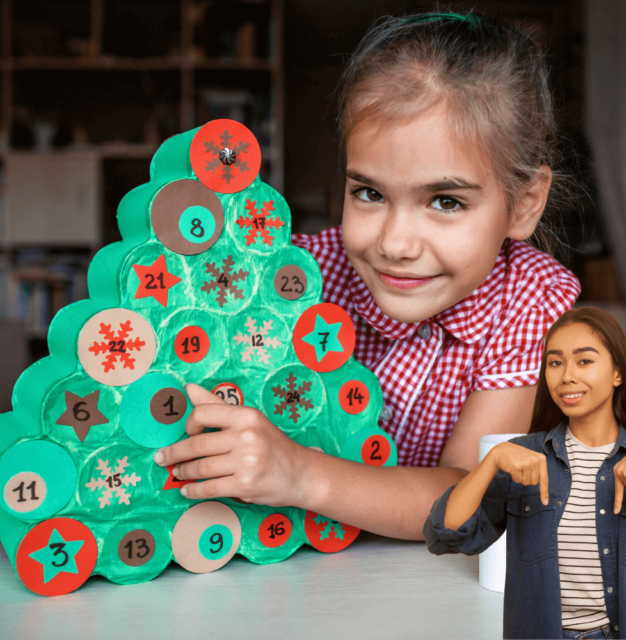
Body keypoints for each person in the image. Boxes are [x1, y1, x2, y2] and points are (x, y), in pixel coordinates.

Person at [153, 12, 580, 540]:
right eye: (370, 193)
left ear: (525, 204)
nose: (394, 244)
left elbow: (470, 496)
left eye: (445, 201)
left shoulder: (526, 300)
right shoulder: (298, 278)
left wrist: (300, 474)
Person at [424, 307, 626, 639]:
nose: (566, 375)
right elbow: (444, 535)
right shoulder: (523, 457)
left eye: (584, 360)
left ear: (618, 372)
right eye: (555, 362)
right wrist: (491, 461)